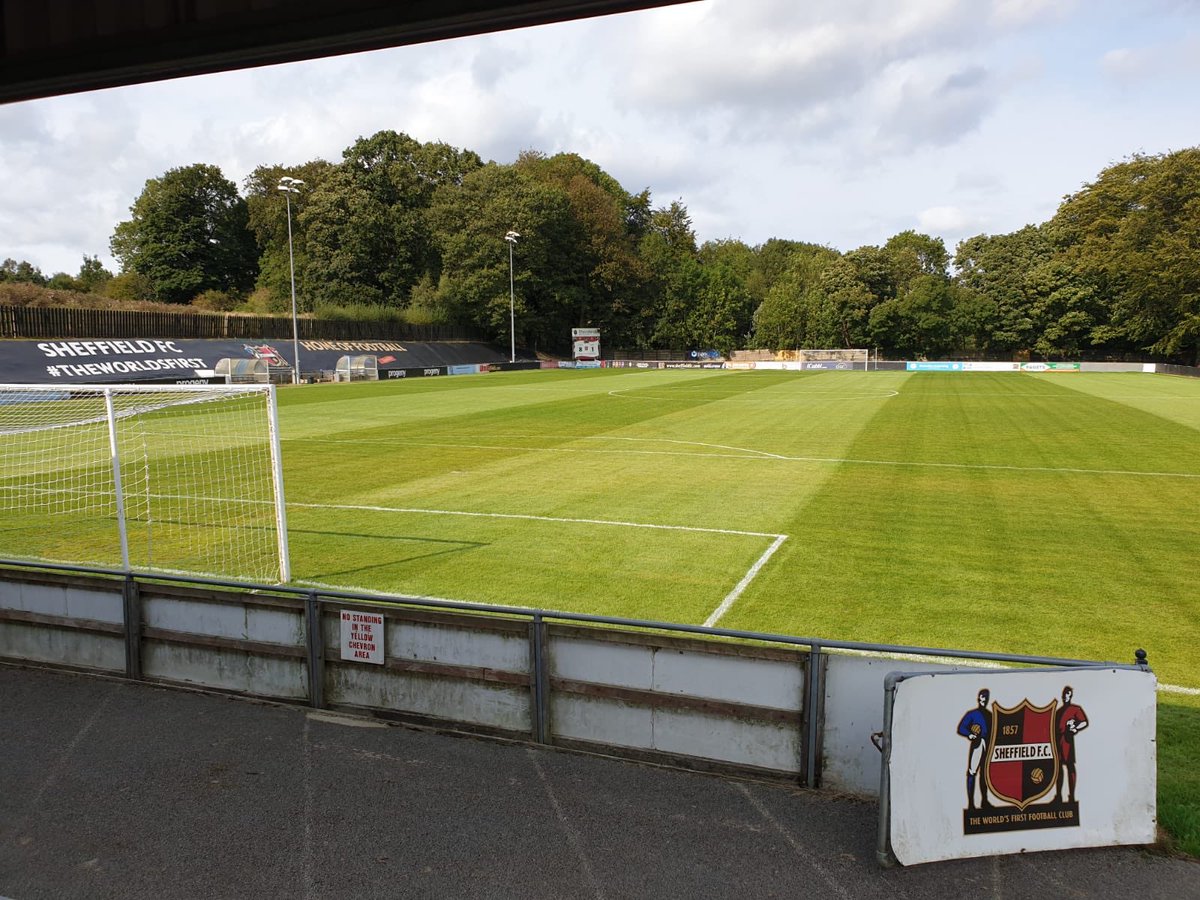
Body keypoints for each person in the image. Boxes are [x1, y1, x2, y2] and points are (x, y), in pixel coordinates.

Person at [956, 688, 993, 810]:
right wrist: (969, 734)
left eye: (986, 697)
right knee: (972, 772)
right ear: (979, 698)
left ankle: (984, 801)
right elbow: (961, 727)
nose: (984, 700)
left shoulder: (990, 715)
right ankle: (971, 803)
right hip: (977, 743)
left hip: (987, 743)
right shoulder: (972, 714)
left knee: (984, 774)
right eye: (983, 697)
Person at [1055, 685, 1089, 803]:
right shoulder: (1058, 711)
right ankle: (1058, 795)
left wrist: (1075, 727)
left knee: (1070, 767)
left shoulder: (1075, 709)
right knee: (1058, 769)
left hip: (1068, 741)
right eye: (1064, 694)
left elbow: (1084, 722)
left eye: (1067, 694)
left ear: (1070, 696)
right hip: (1059, 741)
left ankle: (1072, 796)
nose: (1065, 697)